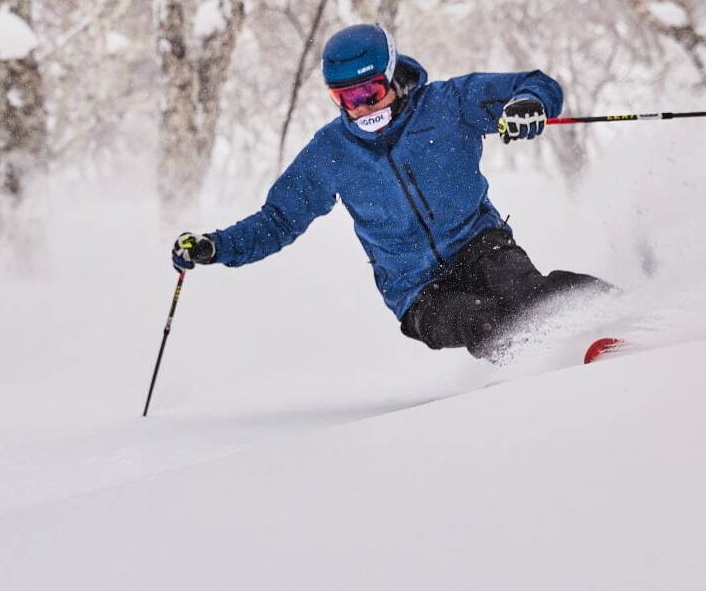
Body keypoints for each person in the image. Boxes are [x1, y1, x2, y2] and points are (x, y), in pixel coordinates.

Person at [171, 22, 612, 361]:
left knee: (530, 297)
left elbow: (535, 84)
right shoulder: (332, 152)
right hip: (416, 290)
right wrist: (217, 246)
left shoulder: (447, 106)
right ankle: (544, 367)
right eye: (347, 98)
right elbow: (279, 219)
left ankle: (622, 314)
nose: (361, 107)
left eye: (370, 91)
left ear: (393, 76)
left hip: (482, 246)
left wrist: (528, 105)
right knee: (482, 322)